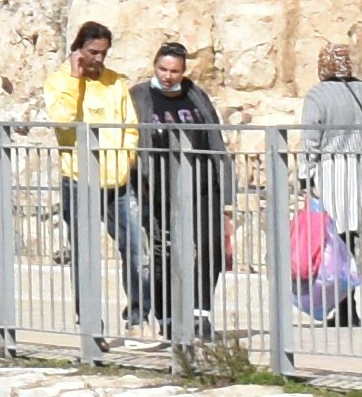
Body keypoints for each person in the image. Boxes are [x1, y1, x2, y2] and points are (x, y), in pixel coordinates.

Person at [45, 24, 148, 343]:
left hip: (117, 183)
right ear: (79, 50)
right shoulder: (59, 81)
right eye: (92, 52)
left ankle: (139, 313)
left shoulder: (115, 81)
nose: (98, 59)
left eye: (103, 53)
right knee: (85, 254)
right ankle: (90, 323)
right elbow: (62, 121)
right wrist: (75, 82)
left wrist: (127, 158)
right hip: (79, 182)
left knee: (136, 248)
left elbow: (130, 125)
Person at [134, 41, 231, 350]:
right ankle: (165, 316)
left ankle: (200, 311)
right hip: (160, 188)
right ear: (154, 66)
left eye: (174, 71)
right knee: (164, 252)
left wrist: (226, 190)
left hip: (202, 185)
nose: (168, 76)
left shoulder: (195, 95)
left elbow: (215, 138)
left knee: (211, 245)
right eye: (163, 69)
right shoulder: (139, 97)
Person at [298, 42, 362, 327]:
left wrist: (305, 173)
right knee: (351, 239)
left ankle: (344, 306)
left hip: (333, 169)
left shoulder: (317, 95)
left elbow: (311, 137)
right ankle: (345, 305)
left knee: (335, 241)